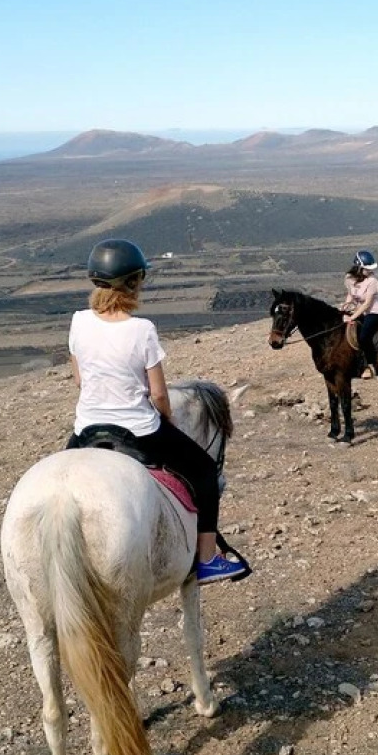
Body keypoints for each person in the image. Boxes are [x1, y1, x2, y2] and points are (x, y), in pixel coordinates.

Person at [68, 239, 249, 583]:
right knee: (206, 472)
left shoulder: (78, 322)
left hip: (87, 429)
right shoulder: (142, 330)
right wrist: (165, 419)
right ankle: (209, 560)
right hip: (138, 432)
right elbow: (160, 394)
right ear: (135, 283)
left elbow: (79, 378)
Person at [342, 250, 378, 379]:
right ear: (358, 267)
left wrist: (352, 317)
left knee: (364, 337)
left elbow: (367, 304)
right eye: (366, 269)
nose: (369, 271)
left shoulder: (373, 282)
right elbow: (351, 294)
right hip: (358, 310)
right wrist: (345, 307)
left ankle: (370, 366)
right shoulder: (349, 278)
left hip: (374, 312)